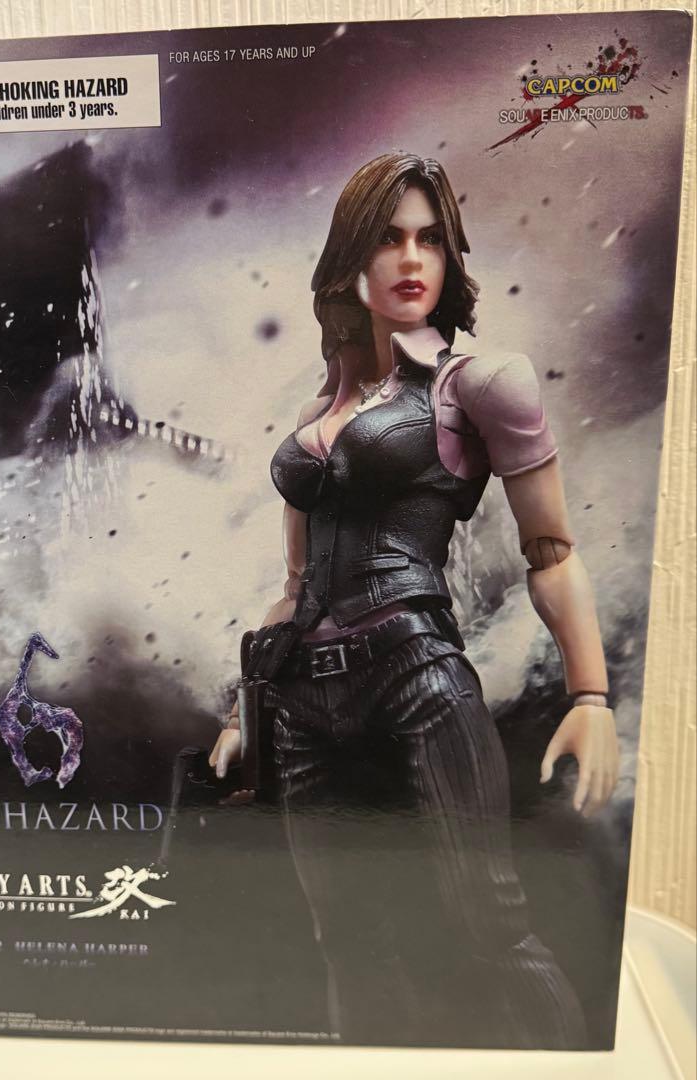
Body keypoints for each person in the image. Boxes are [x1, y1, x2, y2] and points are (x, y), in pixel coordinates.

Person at [208, 153, 619, 1048]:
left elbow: (550, 550)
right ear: (349, 258)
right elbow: (294, 587)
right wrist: (245, 711)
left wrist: (589, 695)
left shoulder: (480, 381)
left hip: (415, 677)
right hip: (301, 704)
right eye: (388, 239)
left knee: (488, 928)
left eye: (430, 239)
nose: (411, 258)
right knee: (344, 941)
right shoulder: (316, 412)